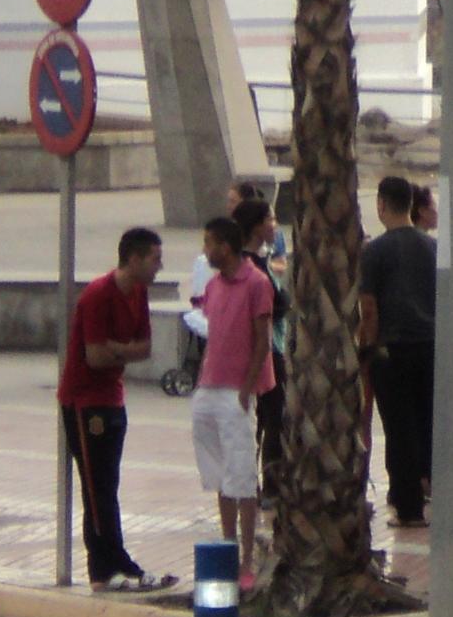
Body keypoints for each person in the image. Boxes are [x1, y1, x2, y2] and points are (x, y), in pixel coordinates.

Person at [56, 227, 176, 593]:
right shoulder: (98, 295)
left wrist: (117, 349)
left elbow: (145, 348)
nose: (159, 267)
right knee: (98, 487)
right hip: (85, 401)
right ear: (134, 259)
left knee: (109, 482)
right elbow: (94, 356)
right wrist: (123, 350)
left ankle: (109, 565)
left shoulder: (138, 293)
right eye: (154, 259)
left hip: (113, 397)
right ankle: (108, 565)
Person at [194, 217, 275, 595]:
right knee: (220, 474)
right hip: (209, 387)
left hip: (236, 391)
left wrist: (247, 388)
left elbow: (262, 340)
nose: (206, 250)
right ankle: (228, 548)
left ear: (225, 246)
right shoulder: (213, 286)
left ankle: (246, 558)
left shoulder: (256, 283)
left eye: (210, 243)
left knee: (241, 474)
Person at [359, 176, 438, 528]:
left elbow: (369, 308)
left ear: (381, 204)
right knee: (427, 422)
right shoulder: (434, 247)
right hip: (431, 345)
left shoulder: (375, 251)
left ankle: (408, 506)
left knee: (399, 428)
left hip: (392, 350)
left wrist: (367, 348)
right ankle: (431, 487)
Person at [232, 199, 290, 507]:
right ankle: (267, 485)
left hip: (267, 349)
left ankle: (257, 484)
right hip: (266, 352)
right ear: (256, 226)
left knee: (266, 419)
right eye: (270, 219)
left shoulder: (253, 263)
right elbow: (273, 306)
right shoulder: (251, 268)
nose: (274, 225)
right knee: (271, 418)